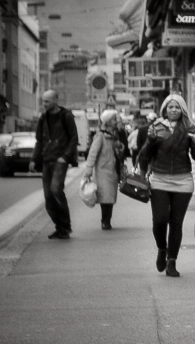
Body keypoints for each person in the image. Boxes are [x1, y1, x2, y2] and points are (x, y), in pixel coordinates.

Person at [138, 95, 195, 278]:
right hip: (159, 179)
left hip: (183, 180)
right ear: (165, 109)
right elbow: (145, 155)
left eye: (177, 107)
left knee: (176, 223)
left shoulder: (189, 128)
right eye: (170, 107)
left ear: (182, 110)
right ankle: (161, 248)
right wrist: (150, 140)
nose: (173, 110)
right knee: (159, 220)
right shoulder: (156, 127)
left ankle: (172, 261)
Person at [30, 90, 79, 240]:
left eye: (47, 101)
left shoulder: (66, 116)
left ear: (55, 101)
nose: (44, 104)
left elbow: (74, 138)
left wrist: (65, 157)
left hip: (60, 160)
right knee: (48, 197)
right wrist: (34, 159)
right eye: (43, 101)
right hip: (46, 160)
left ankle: (65, 225)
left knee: (56, 189)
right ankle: (59, 227)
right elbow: (39, 140)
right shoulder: (43, 118)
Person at [82, 109, 125, 230]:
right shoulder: (100, 136)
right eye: (114, 119)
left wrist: (120, 147)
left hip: (114, 171)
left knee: (110, 198)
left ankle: (106, 220)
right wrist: (88, 171)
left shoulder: (115, 135)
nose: (116, 121)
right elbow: (92, 154)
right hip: (103, 172)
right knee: (106, 197)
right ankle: (105, 221)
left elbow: (121, 153)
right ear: (108, 121)